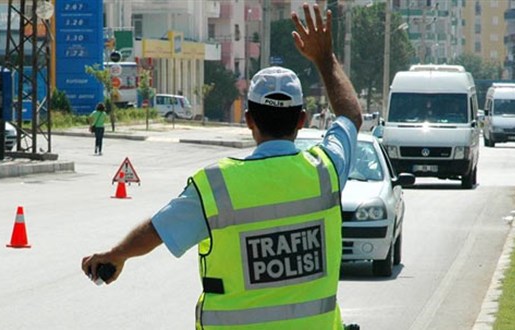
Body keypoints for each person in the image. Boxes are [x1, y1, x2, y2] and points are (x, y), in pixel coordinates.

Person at [82, 3, 363, 329]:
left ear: (248, 120)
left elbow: (158, 230)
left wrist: (117, 255)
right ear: (302, 120)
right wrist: (326, 60)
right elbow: (350, 117)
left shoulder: (216, 187)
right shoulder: (325, 170)